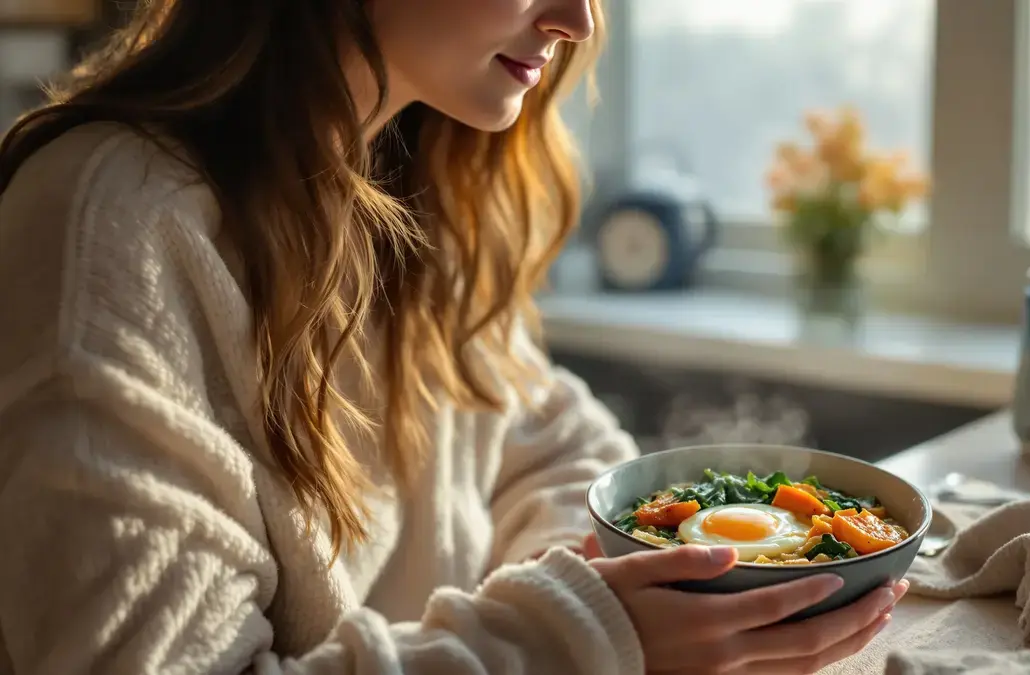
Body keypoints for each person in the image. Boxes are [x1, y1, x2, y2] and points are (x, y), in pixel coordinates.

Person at [0, 1, 907, 673]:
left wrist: (635, 596)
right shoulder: (110, 223)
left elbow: (547, 441)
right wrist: (576, 638)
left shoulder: (412, 179)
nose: (578, 21)